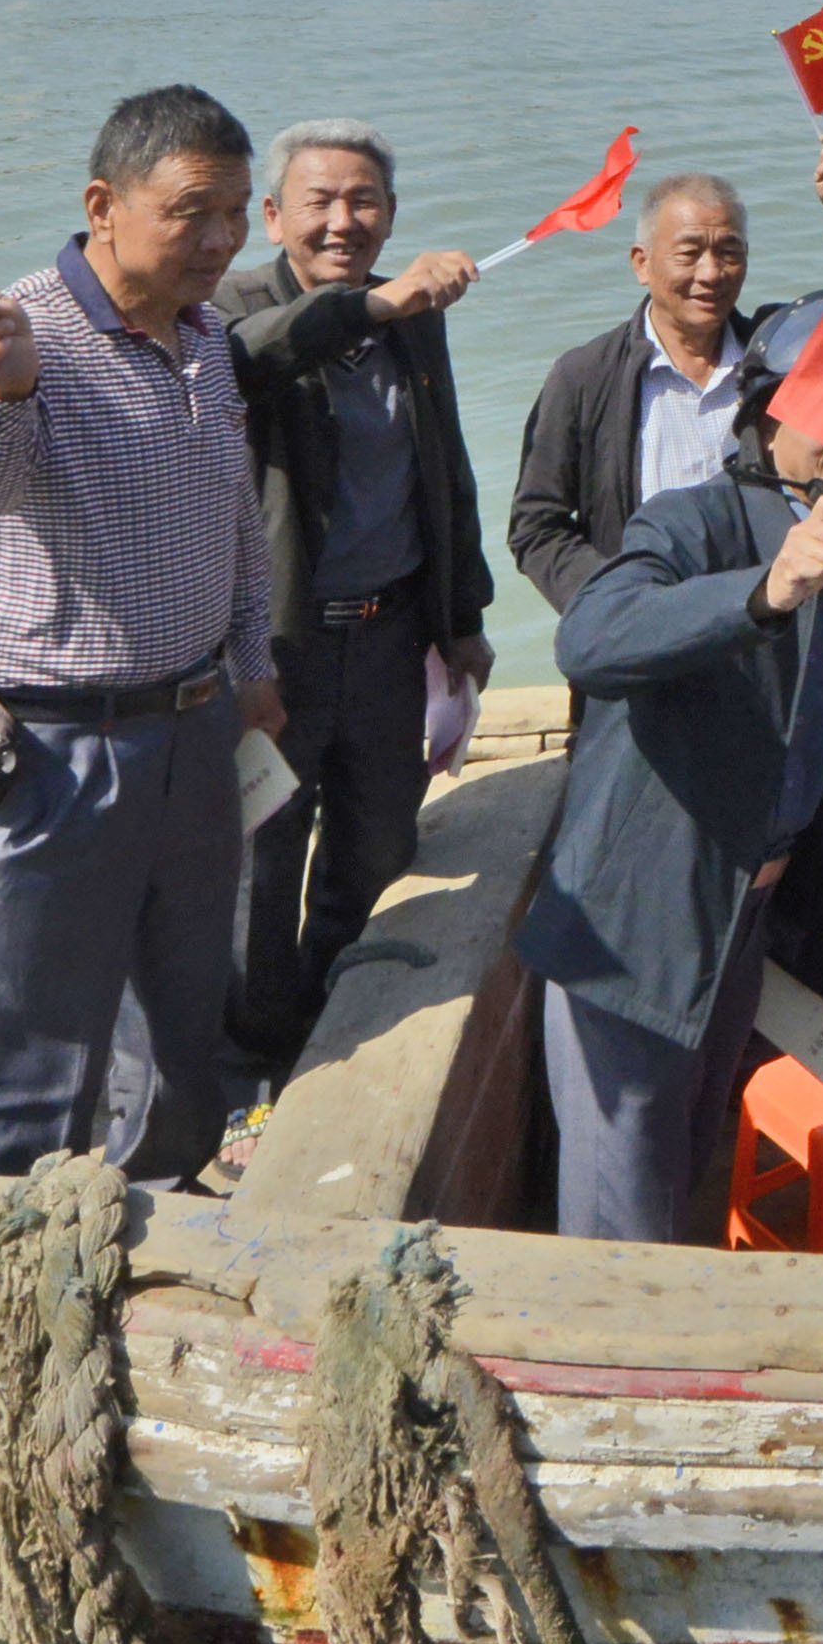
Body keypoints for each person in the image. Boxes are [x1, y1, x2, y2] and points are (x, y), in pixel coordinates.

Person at [0, 85, 289, 1181]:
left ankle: (160, 1199)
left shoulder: (205, 337)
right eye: (191, 212)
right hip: (51, 749)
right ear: (103, 203)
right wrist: (2, 389)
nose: (221, 240)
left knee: (181, 1017)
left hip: (194, 725)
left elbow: (237, 520)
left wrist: (252, 670)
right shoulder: (22, 331)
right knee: (24, 1037)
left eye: (234, 213)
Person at [523, 298, 823, 1244]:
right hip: (637, 921)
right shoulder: (691, 521)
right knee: (624, 1197)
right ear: (767, 412)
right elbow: (591, 639)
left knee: (692, 1151)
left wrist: (810, 930)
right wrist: (764, 594)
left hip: (746, 916)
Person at [219, 117, 499, 1091]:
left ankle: (335, 1018)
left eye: (365, 200)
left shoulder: (417, 317)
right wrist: (373, 305)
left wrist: (462, 616)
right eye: (320, 202)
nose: (344, 220)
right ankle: (256, 1057)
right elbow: (249, 356)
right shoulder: (227, 306)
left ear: (391, 211)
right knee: (262, 866)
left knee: (379, 840)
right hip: (273, 653)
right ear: (271, 215)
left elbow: (446, 470)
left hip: (389, 640)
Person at [506, 139, 823, 614]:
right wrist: (615, 603)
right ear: (642, 263)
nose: (711, 272)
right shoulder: (585, 377)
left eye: (729, 252)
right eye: (689, 253)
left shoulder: (778, 356)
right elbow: (537, 525)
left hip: (775, 617)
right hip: (648, 632)